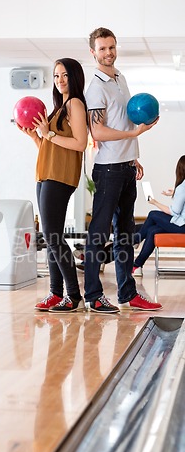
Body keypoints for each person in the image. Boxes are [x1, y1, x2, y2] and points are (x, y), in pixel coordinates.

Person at [84, 27, 162, 312]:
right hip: (108, 171)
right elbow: (99, 131)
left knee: (125, 234)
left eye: (112, 47)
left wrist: (133, 156)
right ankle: (93, 295)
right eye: (102, 48)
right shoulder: (96, 88)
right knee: (99, 233)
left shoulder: (120, 78)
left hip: (126, 167)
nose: (108, 52)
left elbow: (123, 121)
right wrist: (133, 136)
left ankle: (128, 294)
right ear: (93, 52)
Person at [17, 58, 88, 313]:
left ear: (75, 77)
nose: (60, 80)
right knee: (50, 237)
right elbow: (51, 148)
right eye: (57, 75)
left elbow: (80, 144)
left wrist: (48, 134)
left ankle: (72, 295)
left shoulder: (76, 104)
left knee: (53, 237)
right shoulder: (59, 108)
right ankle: (56, 293)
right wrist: (37, 138)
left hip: (60, 177)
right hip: (46, 174)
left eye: (65, 75)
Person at [132, 155, 185, 276]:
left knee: (152, 214)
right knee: (152, 230)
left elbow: (174, 212)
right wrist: (175, 192)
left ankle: (136, 239)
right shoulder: (182, 188)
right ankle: (137, 265)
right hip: (182, 224)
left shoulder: (182, 187)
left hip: (182, 226)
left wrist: (154, 202)